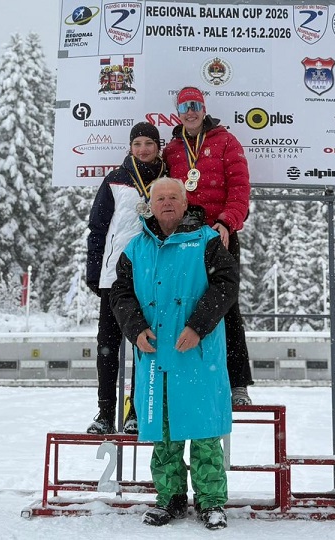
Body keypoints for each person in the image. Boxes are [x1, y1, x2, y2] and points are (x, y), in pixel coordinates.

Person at [110, 177, 237, 530]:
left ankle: (212, 502)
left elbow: (226, 286)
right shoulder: (136, 248)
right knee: (164, 435)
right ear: (151, 205)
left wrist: (198, 326)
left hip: (198, 355)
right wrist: (135, 328)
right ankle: (170, 499)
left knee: (205, 434)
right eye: (160, 198)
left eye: (173, 197)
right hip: (156, 356)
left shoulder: (207, 241)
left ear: (185, 203)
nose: (166, 203)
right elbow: (120, 294)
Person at [163, 86, 254, 406]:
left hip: (219, 236)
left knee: (226, 308)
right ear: (178, 112)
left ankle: (238, 384)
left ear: (204, 109)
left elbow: (240, 189)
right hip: (183, 239)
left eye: (195, 105)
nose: (190, 111)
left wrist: (227, 222)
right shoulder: (172, 150)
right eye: (184, 106)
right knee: (183, 307)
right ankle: (188, 378)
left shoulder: (226, 141)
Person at [86, 122, 165, 435]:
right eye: (137, 144)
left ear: (158, 146)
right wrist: (94, 272)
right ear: (130, 148)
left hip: (150, 276)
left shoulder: (168, 180)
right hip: (114, 276)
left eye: (149, 143)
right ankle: (105, 413)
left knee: (144, 345)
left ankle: (135, 412)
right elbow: (98, 228)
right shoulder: (115, 179)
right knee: (107, 346)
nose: (143, 149)